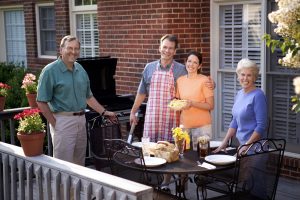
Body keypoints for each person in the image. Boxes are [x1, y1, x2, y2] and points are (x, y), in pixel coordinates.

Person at [36, 35, 116, 166]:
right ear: (61, 49)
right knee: (63, 167)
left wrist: (104, 112)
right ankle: (62, 188)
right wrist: (55, 123)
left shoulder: (80, 69)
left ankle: (76, 188)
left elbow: (88, 97)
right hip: (63, 121)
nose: (73, 51)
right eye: (69, 48)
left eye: (76, 48)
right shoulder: (50, 71)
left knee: (79, 165)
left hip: (81, 120)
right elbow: (41, 101)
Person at [130, 34, 214, 142]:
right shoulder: (149, 68)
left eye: (170, 48)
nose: (167, 50)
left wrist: (212, 83)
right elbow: (142, 93)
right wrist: (133, 111)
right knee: (150, 152)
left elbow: (196, 77)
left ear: (175, 51)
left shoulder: (182, 69)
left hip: (172, 121)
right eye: (164, 47)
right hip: (152, 120)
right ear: (159, 48)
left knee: (172, 153)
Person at [213, 58, 268, 153]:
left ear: (254, 77)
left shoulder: (258, 95)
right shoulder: (239, 94)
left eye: (249, 75)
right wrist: (225, 141)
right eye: (242, 74)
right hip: (242, 146)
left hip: (255, 149)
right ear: (238, 76)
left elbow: (261, 126)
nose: (245, 78)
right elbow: (234, 121)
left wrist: (247, 146)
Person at [175, 50, 214, 151]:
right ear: (185, 62)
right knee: (184, 156)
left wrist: (192, 103)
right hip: (184, 127)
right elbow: (178, 102)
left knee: (201, 157)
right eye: (189, 61)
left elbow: (210, 106)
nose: (191, 64)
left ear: (199, 66)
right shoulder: (180, 80)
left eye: (195, 62)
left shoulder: (205, 80)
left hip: (202, 127)